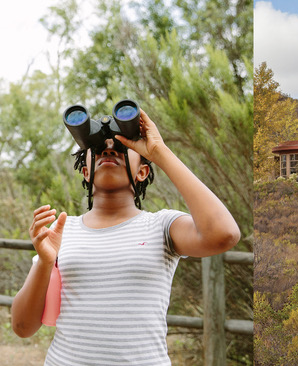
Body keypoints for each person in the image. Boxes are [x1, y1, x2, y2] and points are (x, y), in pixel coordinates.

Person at [12, 108, 240, 365]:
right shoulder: (62, 232)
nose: (108, 149)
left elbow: (225, 234)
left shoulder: (161, 226)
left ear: (142, 171)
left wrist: (159, 152)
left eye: (121, 147)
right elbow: (22, 327)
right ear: (85, 172)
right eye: (97, 147)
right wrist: (44, 261)